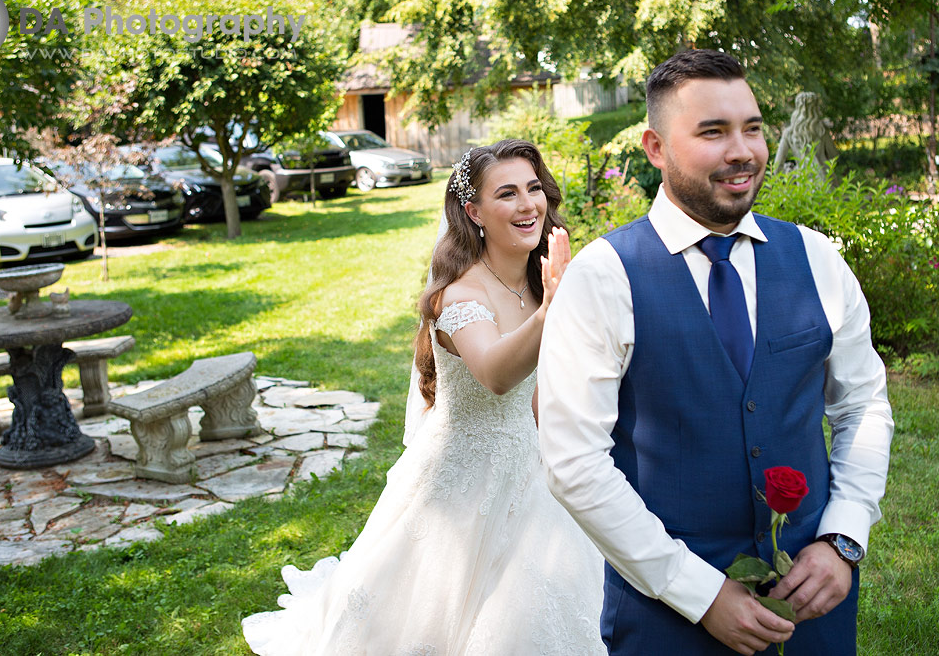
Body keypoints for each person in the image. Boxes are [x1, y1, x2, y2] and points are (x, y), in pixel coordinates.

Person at [538, 49, 894, 656]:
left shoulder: (817, 259)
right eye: (713, 131)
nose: (743, 151)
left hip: (814, 601)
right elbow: (575, 463)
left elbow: (864, 406)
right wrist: (697, 592)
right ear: (655, 148)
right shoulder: (605, 277)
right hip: (666, 618)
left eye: (752, 127)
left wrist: (842, 539)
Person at [242, 138, 606, 656]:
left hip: (532, 469)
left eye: (533, 188)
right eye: (507, 193)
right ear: (473, 210)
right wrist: (552, 308)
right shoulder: (460, 296)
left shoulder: (532, 280)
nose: (528, 205)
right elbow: (498, 374)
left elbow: (534, 391)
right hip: (462, 482)